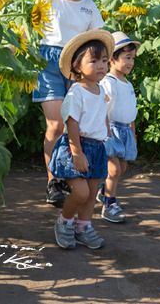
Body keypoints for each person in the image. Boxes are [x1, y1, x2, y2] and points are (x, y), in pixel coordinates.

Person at [32, 0, 104, 206]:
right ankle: (53, 181)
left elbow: (97, 39)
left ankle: (72, 177)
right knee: (55, 125)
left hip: (78, 64)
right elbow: (27, 28)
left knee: (77, 125)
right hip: (48, 61)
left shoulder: (89, 6)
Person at [49, 29, 115, 249]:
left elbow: (101, 112)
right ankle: (64, 221)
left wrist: (105, 127)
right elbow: (71, 122)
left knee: (90, 194)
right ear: (77, 66)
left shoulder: (99, 89)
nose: (101, 66)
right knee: (81, 192)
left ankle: (83, 226)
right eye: (94, 60)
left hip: (97, 148)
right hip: (77, 146)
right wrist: (76, 152)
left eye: (104, 61)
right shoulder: (76, 91)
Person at [97, 31, 141, 223]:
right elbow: (102, 107)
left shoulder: (128, 84)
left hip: (125, 131)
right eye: (126, 58)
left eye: (132, 58)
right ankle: (109, 205)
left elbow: (131, 110)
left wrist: (133, 132)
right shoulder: (109, 82)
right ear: (112, 60)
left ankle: (103, 191)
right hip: (111, 130)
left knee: (121, 169)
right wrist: (105, 131)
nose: (130, 62)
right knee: (113, 170)